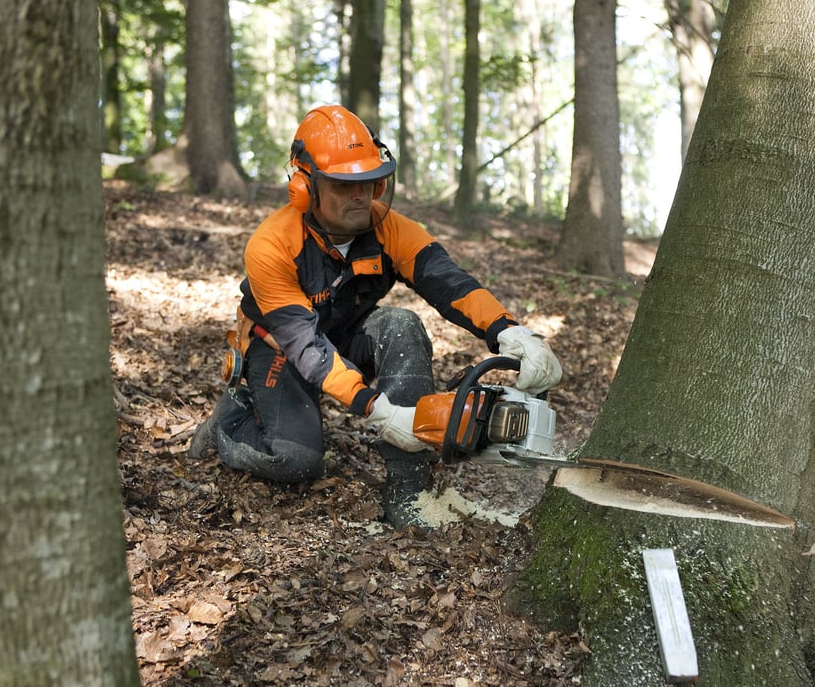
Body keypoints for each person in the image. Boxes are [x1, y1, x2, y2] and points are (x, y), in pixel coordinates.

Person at [189, 104, 561, 528]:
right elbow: (306, 347)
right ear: (304, 186)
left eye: (369, 182)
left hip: (346, 332)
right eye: (345, 185)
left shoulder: (388, 227)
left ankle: (410, 490)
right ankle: (229, 422)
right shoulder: (271, 246)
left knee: (401, 324)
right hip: (281, 347)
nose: (361, 196)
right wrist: (378, 409)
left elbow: (449, 281)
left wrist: (510, 332)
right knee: (294, 461)